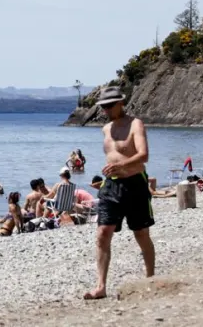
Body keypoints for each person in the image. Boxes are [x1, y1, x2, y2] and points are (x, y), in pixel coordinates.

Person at [84, 87, 155, 301]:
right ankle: (100, 286)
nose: (105, 110)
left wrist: (122, 164)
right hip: (111, 185)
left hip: (135, 184)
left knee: (141, 233)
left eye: (108, 106)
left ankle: (150, 277)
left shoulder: (136, 124)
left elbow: (144, 155)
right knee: (103, 233)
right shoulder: (105, 129)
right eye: (102, 106)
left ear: (120, 103)